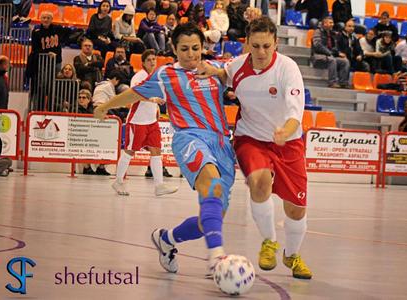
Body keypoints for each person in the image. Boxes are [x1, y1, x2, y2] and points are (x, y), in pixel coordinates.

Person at [94, 23, 236, 276]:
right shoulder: (165, 74)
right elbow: (135, 94)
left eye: (195, 48)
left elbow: (243, 81)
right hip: (190, 138)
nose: (191, 54)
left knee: (210, 219)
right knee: (212, 184)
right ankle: (217, 257)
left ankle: (167, 239)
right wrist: (106, 106)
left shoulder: (216, 72)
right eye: (184, 49)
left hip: (222, 144)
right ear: (173, 49)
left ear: (203, 48)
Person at [198, 16, 312, 280]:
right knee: (259, 183)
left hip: (288, 140)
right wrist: (214, 71)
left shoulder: (288, 68)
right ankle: (269, 241)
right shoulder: (238, 65)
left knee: (296, 208)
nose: (261, 52)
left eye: (267, 46)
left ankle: (292, 255)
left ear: (276, 44)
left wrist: (285, 129)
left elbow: (297, 110)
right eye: (256, 46)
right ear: (247, 43)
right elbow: (225, 74)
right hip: (250, 137)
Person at [112, 49, 178, 196]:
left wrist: (156, 108)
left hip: (152, 122)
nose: (152, 62)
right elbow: (135, 96)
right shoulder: (139, 77)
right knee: (130, 151)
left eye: (154, 59)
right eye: (149, 60)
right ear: (143, 62)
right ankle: (118, 181)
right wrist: (152, 100)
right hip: (137, 121)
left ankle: (159, 185)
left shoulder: (155, 77)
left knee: (156, 151)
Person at [311, 16, 350, 88]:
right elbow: (317, 45)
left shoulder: (332, 34)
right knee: (332, 60)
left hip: (329, 57)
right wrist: (329, 53)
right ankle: (332, 82)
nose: (332, 24)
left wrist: (338, 53)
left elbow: (334, 48)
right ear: (325, 23)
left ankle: (343, 82)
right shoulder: (318, 32)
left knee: (345, 61)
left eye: (333, 23)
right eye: (330, 23)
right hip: (318, 57)